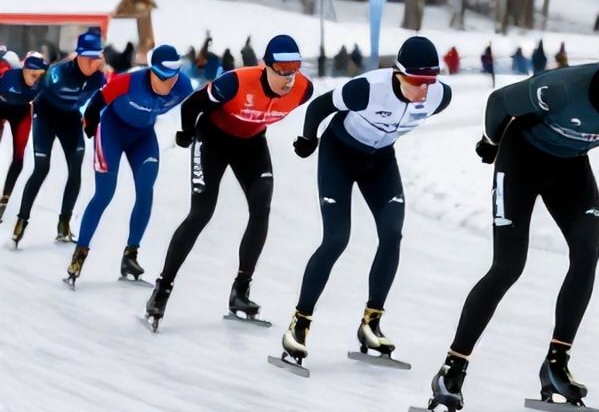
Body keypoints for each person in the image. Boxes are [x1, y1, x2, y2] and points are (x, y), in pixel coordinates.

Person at [422, 33, 599, 412]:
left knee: (587, 254)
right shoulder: (562, 89)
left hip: (570, 166)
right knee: (508, 266)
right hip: (522, 159)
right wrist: (491, 141)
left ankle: (556, 365)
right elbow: (499, 101)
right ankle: (452, 369)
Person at [277, 36, 452, 370]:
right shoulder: (367, 89)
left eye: (430, 80)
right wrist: (308, 139)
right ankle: (299, 323)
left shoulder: (440, 96)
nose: (424, 89)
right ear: (398, 74)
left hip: (380, 161)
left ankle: (371, 323)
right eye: (417, 81)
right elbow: (319, 107)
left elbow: (428, 96)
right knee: (336, 239)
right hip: (339, 156)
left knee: (392, 234)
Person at [149, 35, 314, 327]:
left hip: (251, 144)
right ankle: (162, 289)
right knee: (201, 213)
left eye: (295, 69)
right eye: (283, 70)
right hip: (213, 139)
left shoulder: (303, 90)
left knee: (261, 208)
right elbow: (193, 104)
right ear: (266, 67)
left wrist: (310, 138)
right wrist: (186, 133)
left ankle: (240, 291)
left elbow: (318, 108)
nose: (289, 78)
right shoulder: (236, 82)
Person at [65, 45, 195, 287]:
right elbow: (97, 102)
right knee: (105, 194)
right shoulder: (128, 82)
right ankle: (79, 254)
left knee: (145, 191)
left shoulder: (183, 86)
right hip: (112, 131)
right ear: (152, 71)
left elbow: (195, 107)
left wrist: (190, 130)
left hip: (142, 137)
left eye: (174, 75)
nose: (170, 83)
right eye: (164, 77)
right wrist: (91, 123)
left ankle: (131, 255)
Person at [11, 31, 109, 247]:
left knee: (76, 168)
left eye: (96, 57)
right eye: (88, 57)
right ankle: (21, 221)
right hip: (45, 116)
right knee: (41, 168)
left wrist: (90, 117)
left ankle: (64, 223)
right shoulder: (59, 73)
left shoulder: (98, 78)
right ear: (78, 55)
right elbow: (30, 90)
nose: (92, 62)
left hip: (70, 119)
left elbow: (100, 101)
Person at [0, 52, 49, 222]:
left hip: (21, 113)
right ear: (24, 69)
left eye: (39, 76)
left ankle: (4, 199)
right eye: (33, 75)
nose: (35, 80)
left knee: (19, 156)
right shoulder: (8, 76)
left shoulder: (43, 82)